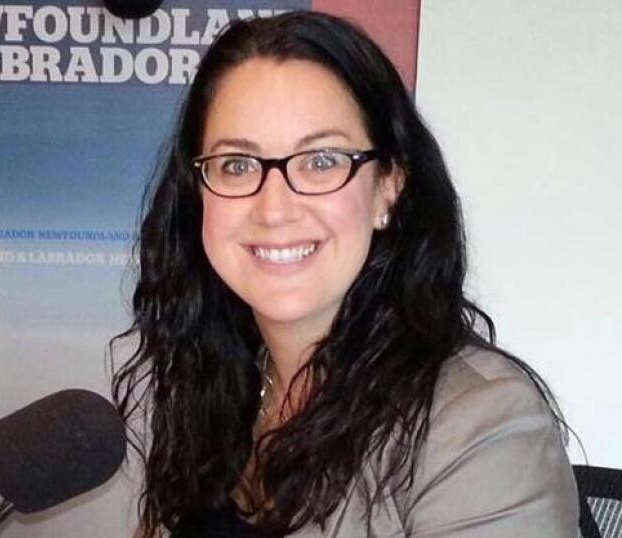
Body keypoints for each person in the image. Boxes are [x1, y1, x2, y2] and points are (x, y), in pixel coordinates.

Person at [112, 10, 578, 538]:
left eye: (321, 160)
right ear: (198, 194)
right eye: (237, 165)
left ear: (388, 187)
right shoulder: (216, 384)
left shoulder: (483, 425)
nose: (274, 208)